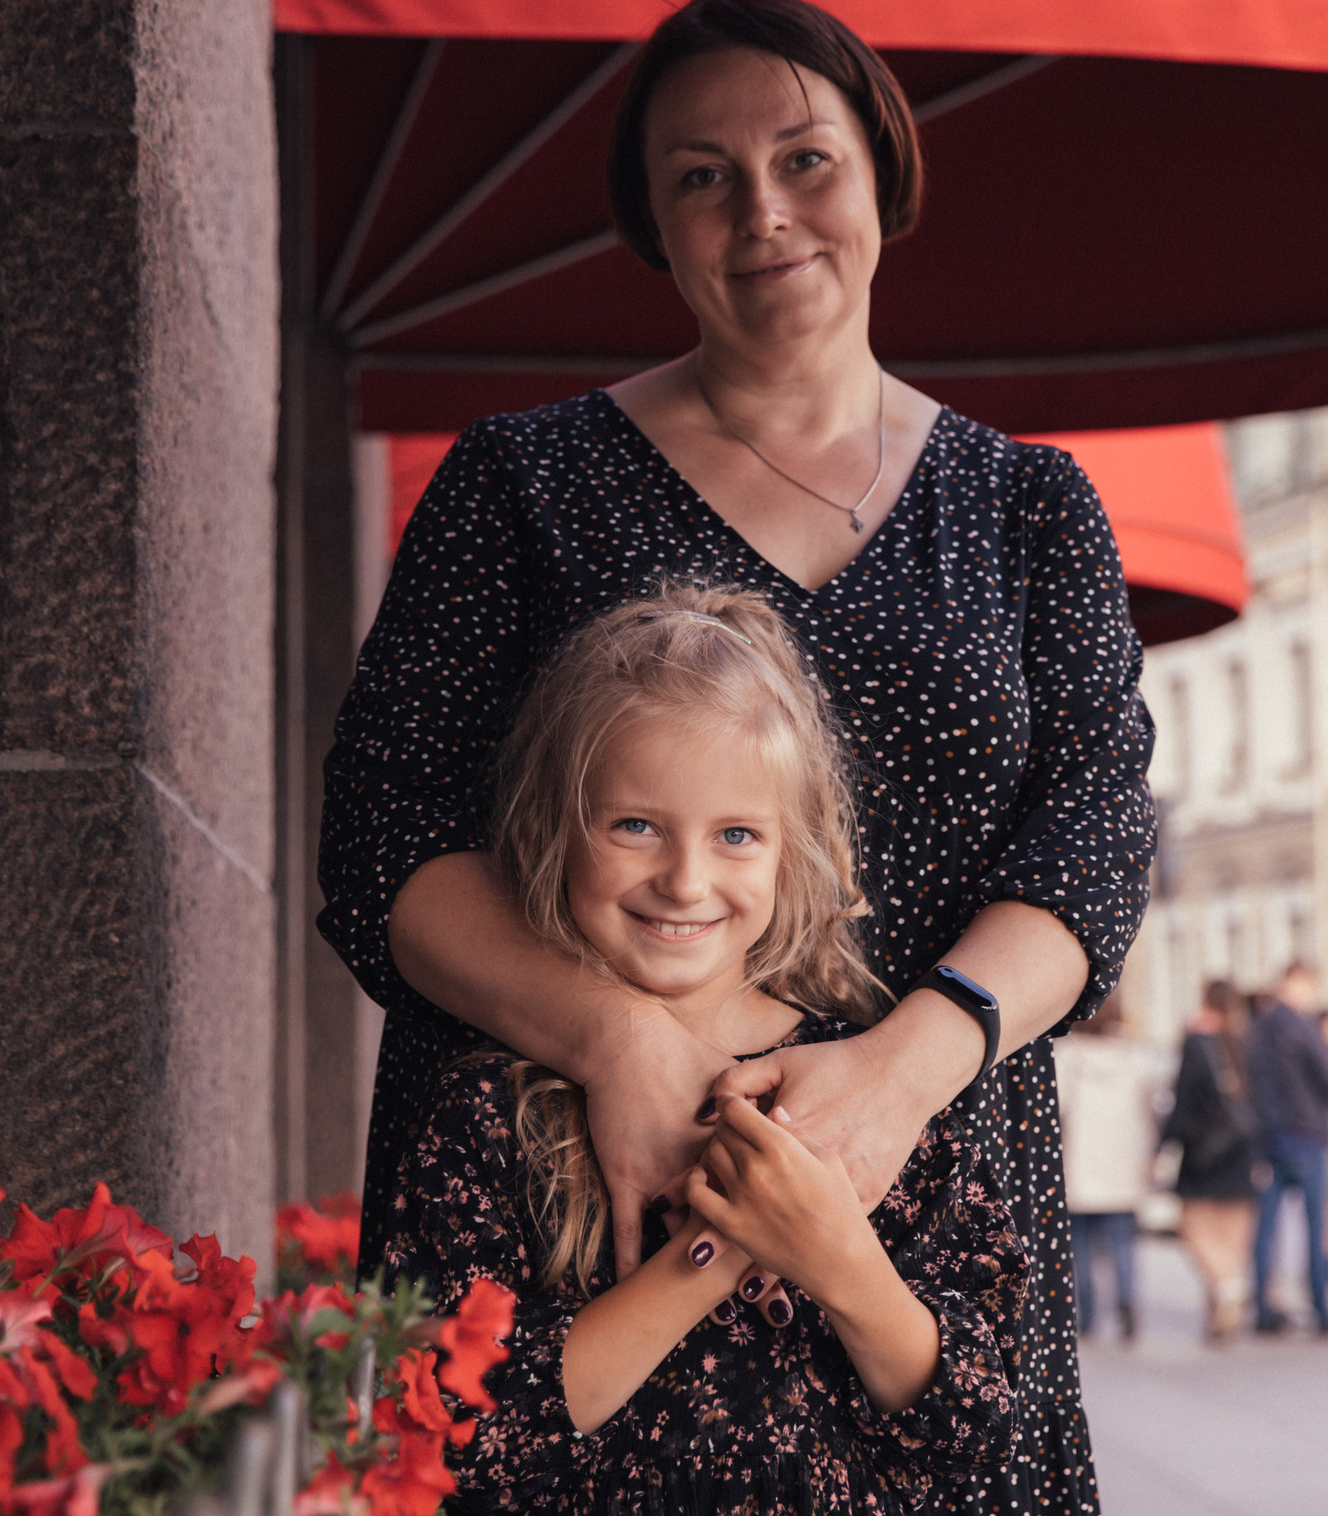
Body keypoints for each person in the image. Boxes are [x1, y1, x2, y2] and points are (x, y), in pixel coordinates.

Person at [320, 0, 1155, 1515]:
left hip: (918, 1190)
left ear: (882, 172)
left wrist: (908, 1069)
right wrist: (614, 1036)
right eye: (701, 176)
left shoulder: (1032, 506)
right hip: (564, 1177)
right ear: (651, 221)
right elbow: (379, 838)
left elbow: (1093, 844)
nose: (762, 210)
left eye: (803, 158)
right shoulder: (519, 480)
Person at [383, 589, 1022, 1511]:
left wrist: (839, 1257)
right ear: (555, 829)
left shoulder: (867, 1101)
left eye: (736, 836)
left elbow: (976, 1435)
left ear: (791, 855)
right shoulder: (490, 1112)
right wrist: (721, 1246)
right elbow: (455, 1433)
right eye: (635, 825)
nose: (686, 880)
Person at [1243, 961, 1328, 1335]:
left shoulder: (1258, 1026)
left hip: (1269, 1136)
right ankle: (1321, 1308)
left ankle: (1262, 1307)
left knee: (1266, 1228)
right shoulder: (1303, 1026)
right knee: (1316, 1227)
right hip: (1306, 1134)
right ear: (1298, 984)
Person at [1055, 992, 1165, 1342]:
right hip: (1124, 1162)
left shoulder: (1068, 1056)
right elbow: (1153, 1108)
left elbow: (1057, 1110)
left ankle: (1086, 1316)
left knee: (1080, 1246)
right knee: (1122, 1243)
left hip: (1079, 1163)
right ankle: (1126, 1302)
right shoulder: (1137, 1056)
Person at [1166, 979, 1262, 1340]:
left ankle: (1227, 1289)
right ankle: (1221, 1313)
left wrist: (1164, 1145)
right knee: (1231, 1238)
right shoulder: (1249, 1042)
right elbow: (1264, 1104)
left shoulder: (1197, 1041)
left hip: (1204, 1151)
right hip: (1243, 1151)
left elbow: (1182, 1100)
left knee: (1192, 1227)